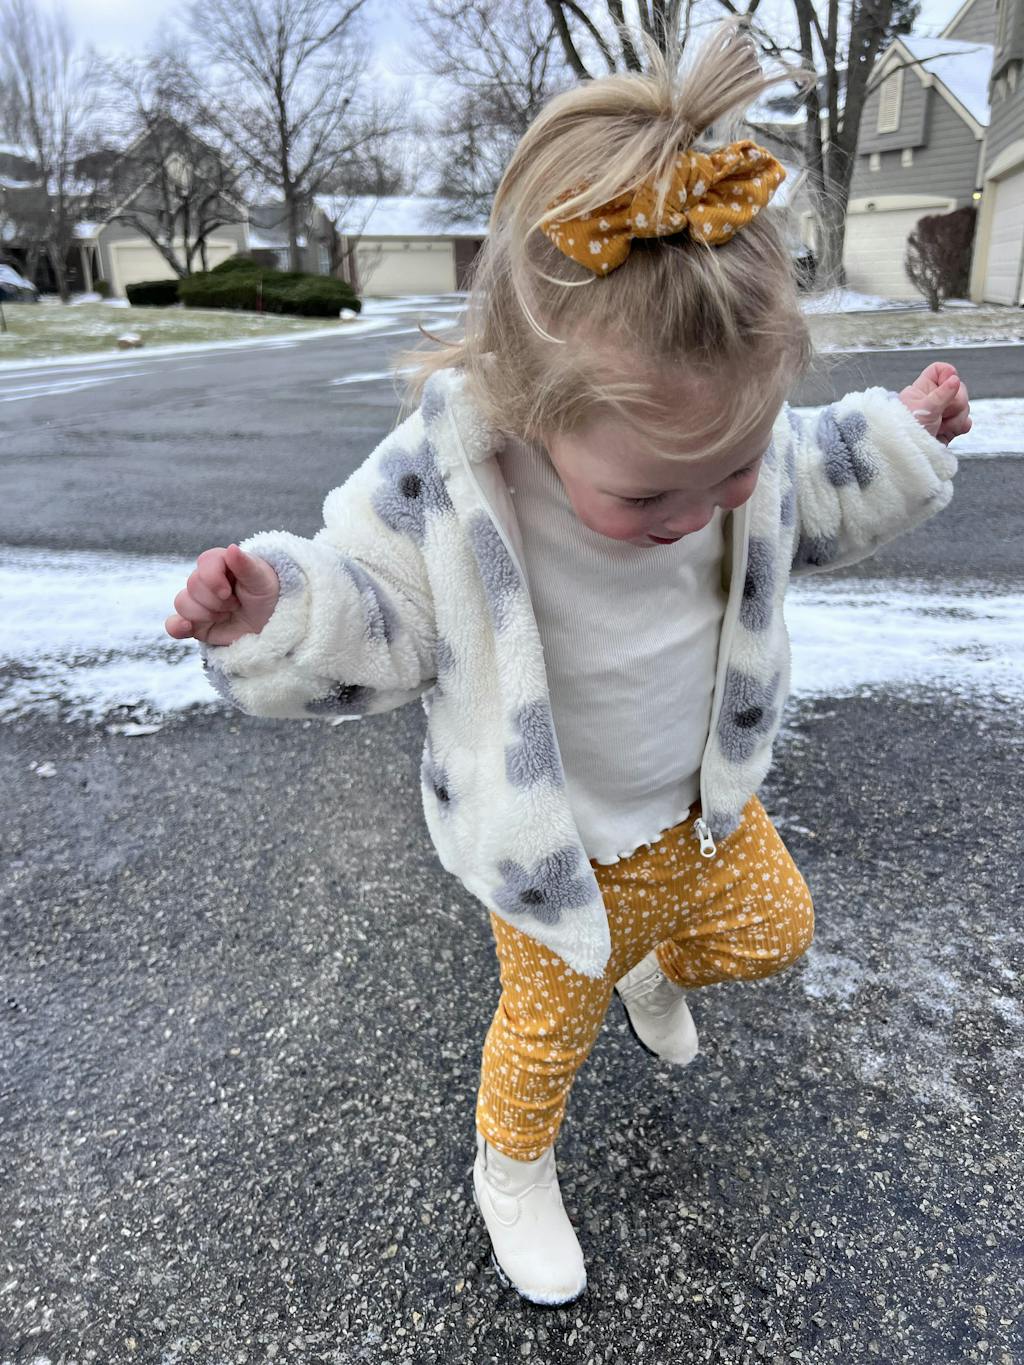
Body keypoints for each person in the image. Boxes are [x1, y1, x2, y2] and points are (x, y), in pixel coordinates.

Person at [165, 22, 970, 1308]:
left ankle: (648, 958)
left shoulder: (719, 439)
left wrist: (898, 436)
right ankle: (513, 1168)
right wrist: (273, 611)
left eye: (733, 469)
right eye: (650, 496)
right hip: (557, 856)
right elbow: (378, 613)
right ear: (535, 404)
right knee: (544, 1041)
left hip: (701, 812)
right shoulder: (452, 488)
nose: (699, 515)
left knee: (775, 932)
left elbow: (811, 479)